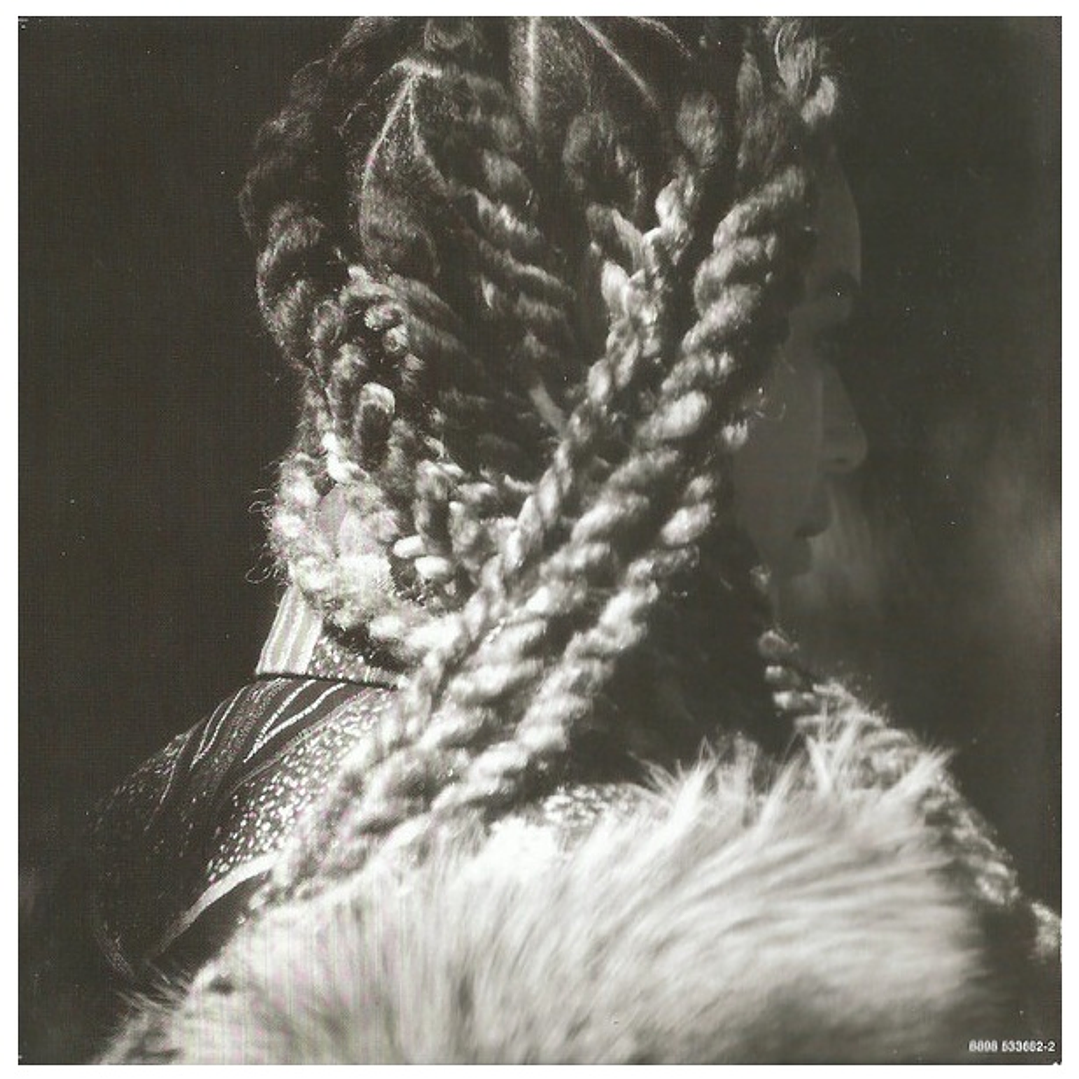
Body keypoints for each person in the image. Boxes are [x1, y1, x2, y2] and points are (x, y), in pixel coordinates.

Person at [36, 17, 1058, 1063]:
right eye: (813, 339)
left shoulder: (139, 834)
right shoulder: (685, 954)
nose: (849, 437)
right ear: (618, 351)